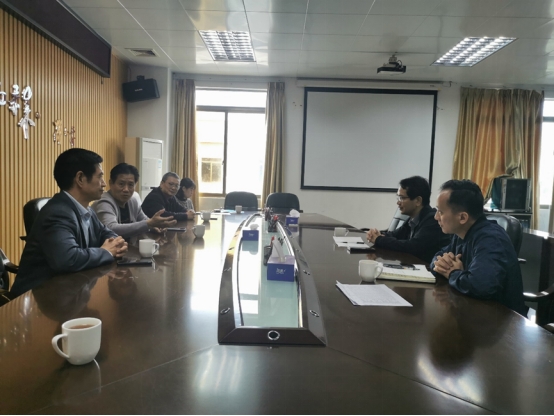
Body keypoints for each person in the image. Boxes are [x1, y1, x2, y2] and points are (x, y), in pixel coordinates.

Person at [11, 148, 128, 297]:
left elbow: (105, 233)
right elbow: (68, 259)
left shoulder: (85, 208)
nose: (104, 184)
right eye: (100, 177)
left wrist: (116, 244)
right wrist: (106, 252)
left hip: (69, 292)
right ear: (80, 178)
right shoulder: (57, 213)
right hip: (36, 297)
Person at [431, 179, 528, 317]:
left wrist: (453, 273)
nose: (436, 217)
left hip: (503, 321)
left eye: (440, 212)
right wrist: (441, 264)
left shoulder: (491, 239)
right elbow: (438, 257)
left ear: (462, 217)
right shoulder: (461, 233)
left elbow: (481, 286)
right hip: (472, 312)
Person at [366, 176, 450, 263]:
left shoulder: (432, 220)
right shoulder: (413, 218)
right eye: (398, 197)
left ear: (418, 201)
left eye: (402, 198)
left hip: (428, 269)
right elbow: (395, 235)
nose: (398, 202)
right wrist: (377, 235)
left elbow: (412, 247)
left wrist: (379, 239)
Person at [92, 163, 177, 238]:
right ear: (111, 183)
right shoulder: (103, 202)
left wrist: (155, 226)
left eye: (130, 185)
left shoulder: (132, 200)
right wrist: (149, 224)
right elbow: (111, 229)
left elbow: (144, 220)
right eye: (121, 184)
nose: (126, 189)